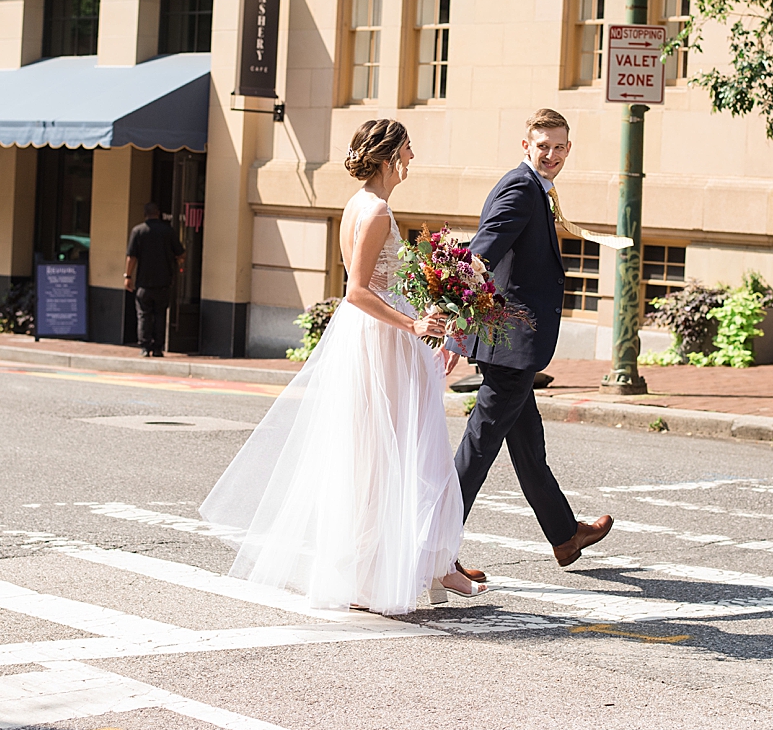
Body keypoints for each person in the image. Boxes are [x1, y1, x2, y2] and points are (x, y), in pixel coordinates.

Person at [200, 119, 485, 614]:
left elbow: (379, 282)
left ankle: (407, 570)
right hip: (386, 343)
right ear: (389, 157)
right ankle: (416, 570)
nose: (413, 157)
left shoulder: (357, 206)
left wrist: (428, 300)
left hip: (378, 340)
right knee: (411, 454)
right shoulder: (374, 210)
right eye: (408, 149)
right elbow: (357, 293)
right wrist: (414, 325)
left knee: (378, 457)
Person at [448, 108, 614, 573]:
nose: (552, 155)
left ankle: (564, 535)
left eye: (560, 147)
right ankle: (434, 547)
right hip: (509, 344)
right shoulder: (521, 187)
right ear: (527, 147)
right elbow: (485, 248)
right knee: (477, 452)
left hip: (513, 343)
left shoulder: (538, 188)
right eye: (543, 146)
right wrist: (451, 309)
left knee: (527, 446)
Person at [125, 202, 185, 358]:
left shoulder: (138, 231)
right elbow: (181, 254)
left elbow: (131, 257)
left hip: (144, 282)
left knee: (144, 315)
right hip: (163, 282)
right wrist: (176, 260)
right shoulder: (168, 231)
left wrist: (128, 276)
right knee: (160, 315)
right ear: (158, 213)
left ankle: (144, 347)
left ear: (145, 214)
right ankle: (158, 348)